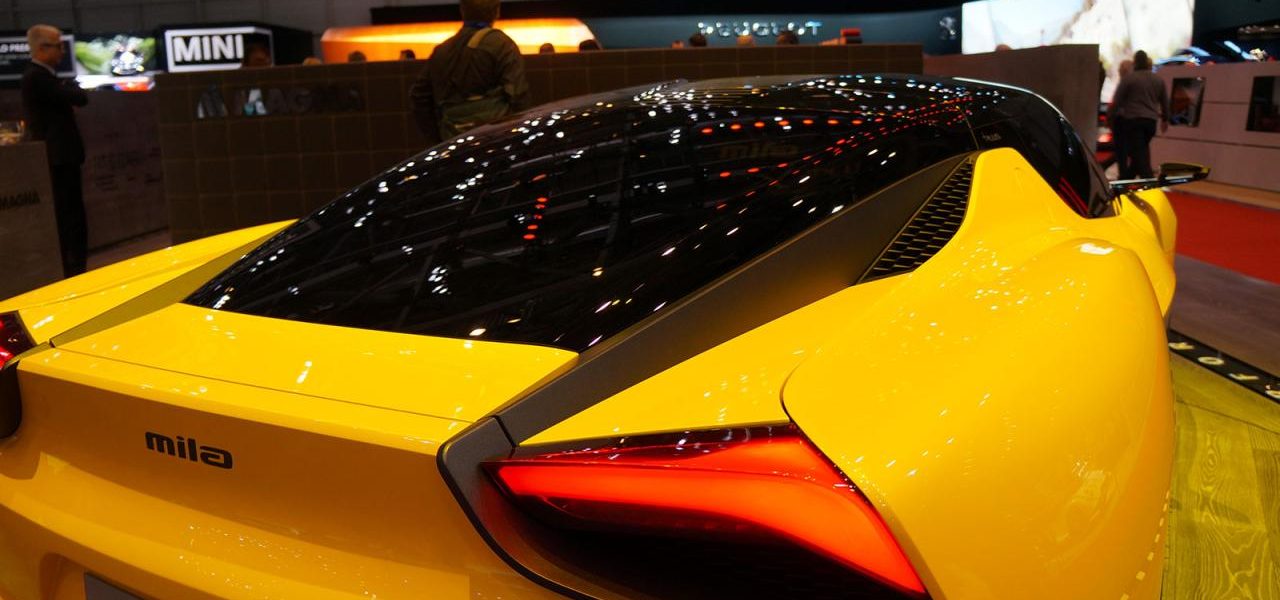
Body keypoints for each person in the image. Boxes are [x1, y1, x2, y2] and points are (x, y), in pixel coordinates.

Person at [409, 0, 529, 145]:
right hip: (496, 138)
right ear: (497, 11)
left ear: (462, 11)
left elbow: (419, 95)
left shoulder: (442, 50)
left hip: (454, 139)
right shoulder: (502, 44)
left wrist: (438, 139)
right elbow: (517, 94)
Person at [21, 24, 88, 277]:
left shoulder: (44, 77)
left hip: (61, 157)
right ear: (41, 48)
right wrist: (72, 89)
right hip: (58, 158)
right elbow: (79, 97)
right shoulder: (37, 77)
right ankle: (74, 270)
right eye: (58, 46)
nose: (62, 51)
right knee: (69, 216)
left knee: (71, 214)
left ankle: (75, 267)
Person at [1109, 50, 1169, 179]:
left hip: (1133, 121)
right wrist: (1165, 119)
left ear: (1135, 62)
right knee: (1140, 152)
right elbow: (1164, 101)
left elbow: (1117, 101)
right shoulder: (1158, 80)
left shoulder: (1130, 79)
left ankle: (1147, 180)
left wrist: (1111, 118)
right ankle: (1127, 179)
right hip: (1151, 123)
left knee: (1139, 155)